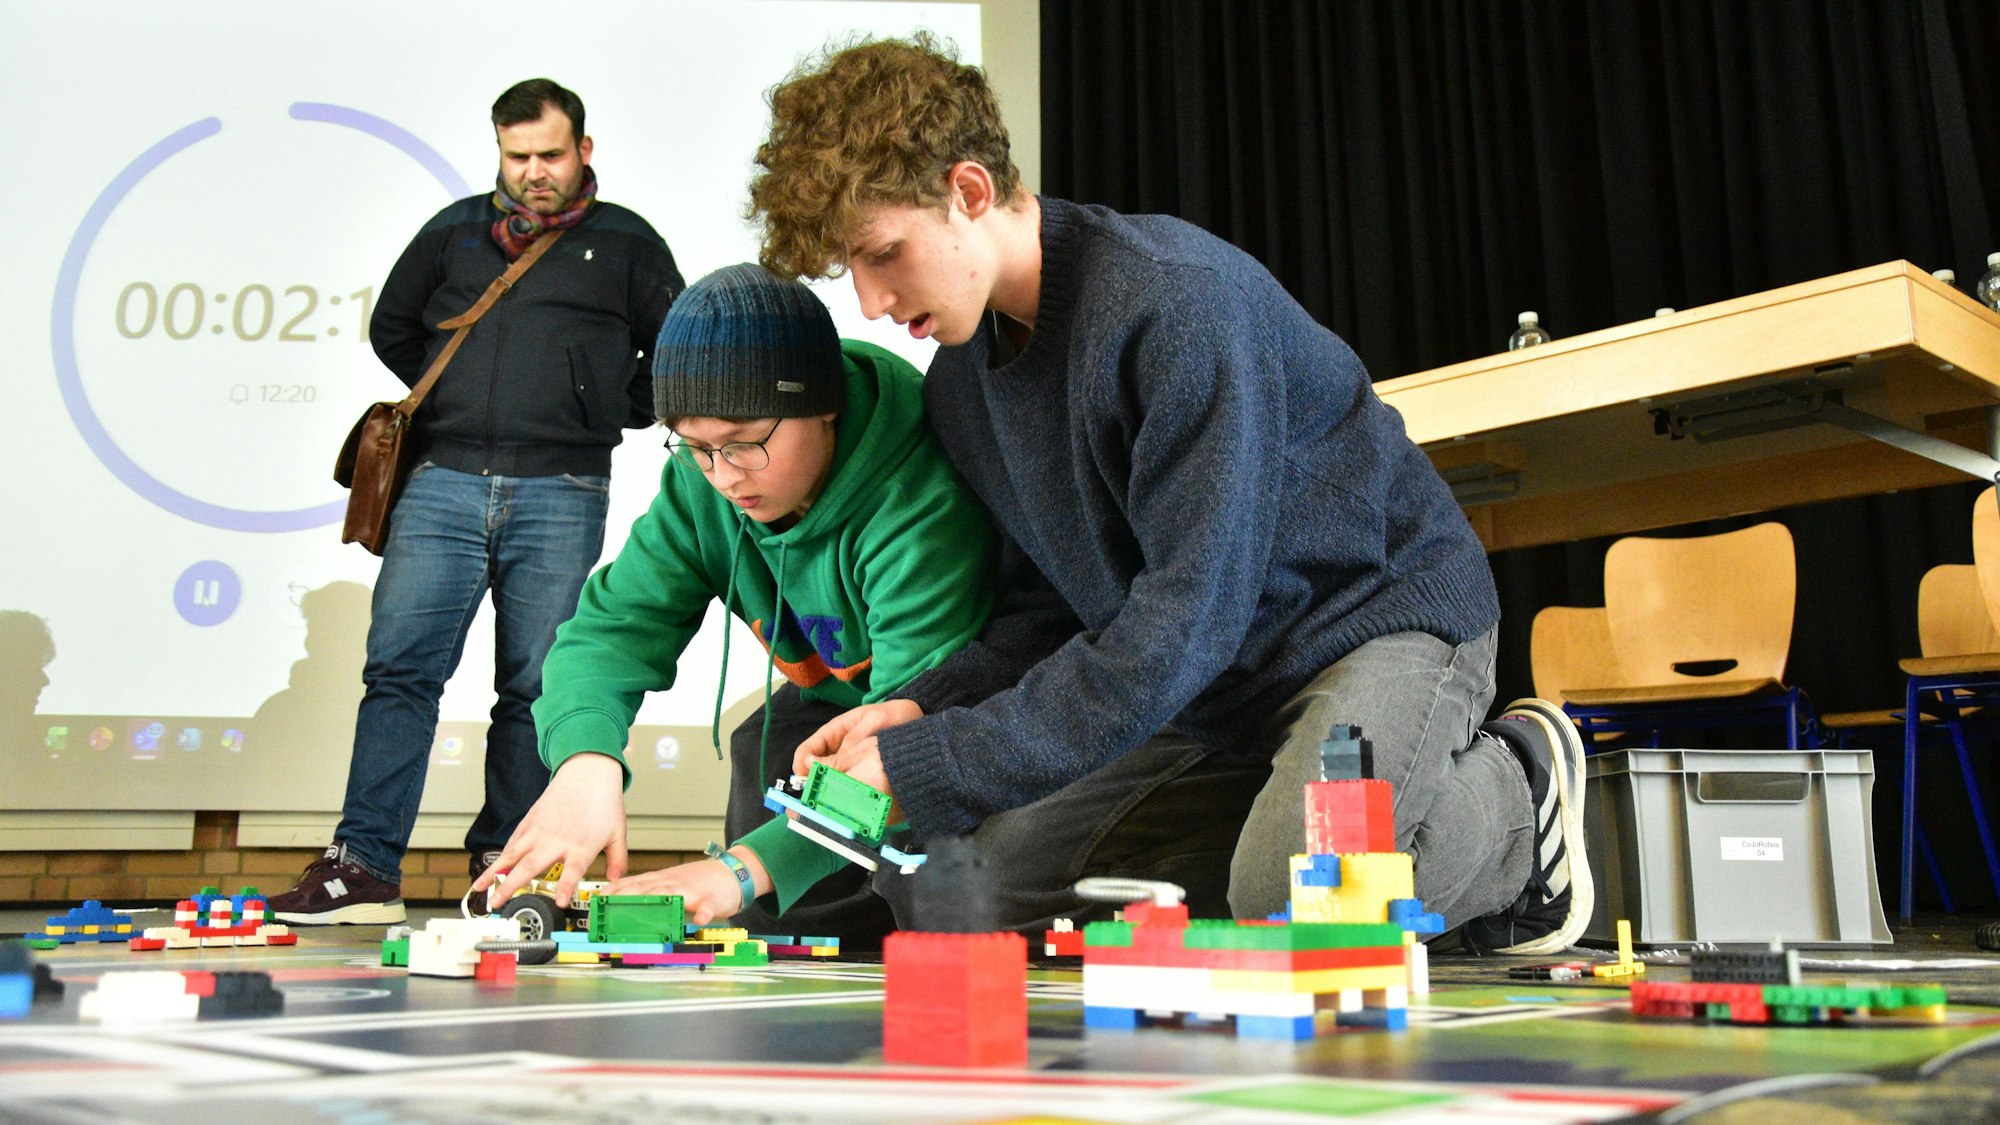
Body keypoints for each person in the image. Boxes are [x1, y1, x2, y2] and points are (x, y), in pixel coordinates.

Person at [748, 34, 1593, 955]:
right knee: (980, 889)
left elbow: (1185, 620)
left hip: (1373, 628)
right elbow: (1044, 613)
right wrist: (925, 705)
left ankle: (1519, 791)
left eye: (884, 255)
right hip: (1212, 692)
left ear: (970, 191)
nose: (871, 304)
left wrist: (926, 765)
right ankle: (1291, 823)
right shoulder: (962, 386)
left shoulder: (1173, 307)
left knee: (1301, 909)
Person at [474, 263, 997, 940]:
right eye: (697, 447)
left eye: (747, 441)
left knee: (928, 897)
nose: (724, 477)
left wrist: (741, 871)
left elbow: (902, 749)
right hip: (830, 710)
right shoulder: (699, 489)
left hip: (951, 714)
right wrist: (585, 762)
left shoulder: (919, 506)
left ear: (824, 401)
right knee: (767, 752)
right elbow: (610, 632)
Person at [268, 79, 685, 925]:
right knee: (399, 673)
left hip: (564, 487)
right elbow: (394, 325)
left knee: (536, 686)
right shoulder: (454, 231)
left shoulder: (628, 242)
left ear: (585, 152)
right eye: (517, 156)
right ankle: (364, 868)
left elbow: (673, 349)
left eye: (550, 155)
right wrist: (455, 396)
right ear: (499, 151)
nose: (534, 172)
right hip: (443, 481)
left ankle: (507, 865)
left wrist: (607, 402)